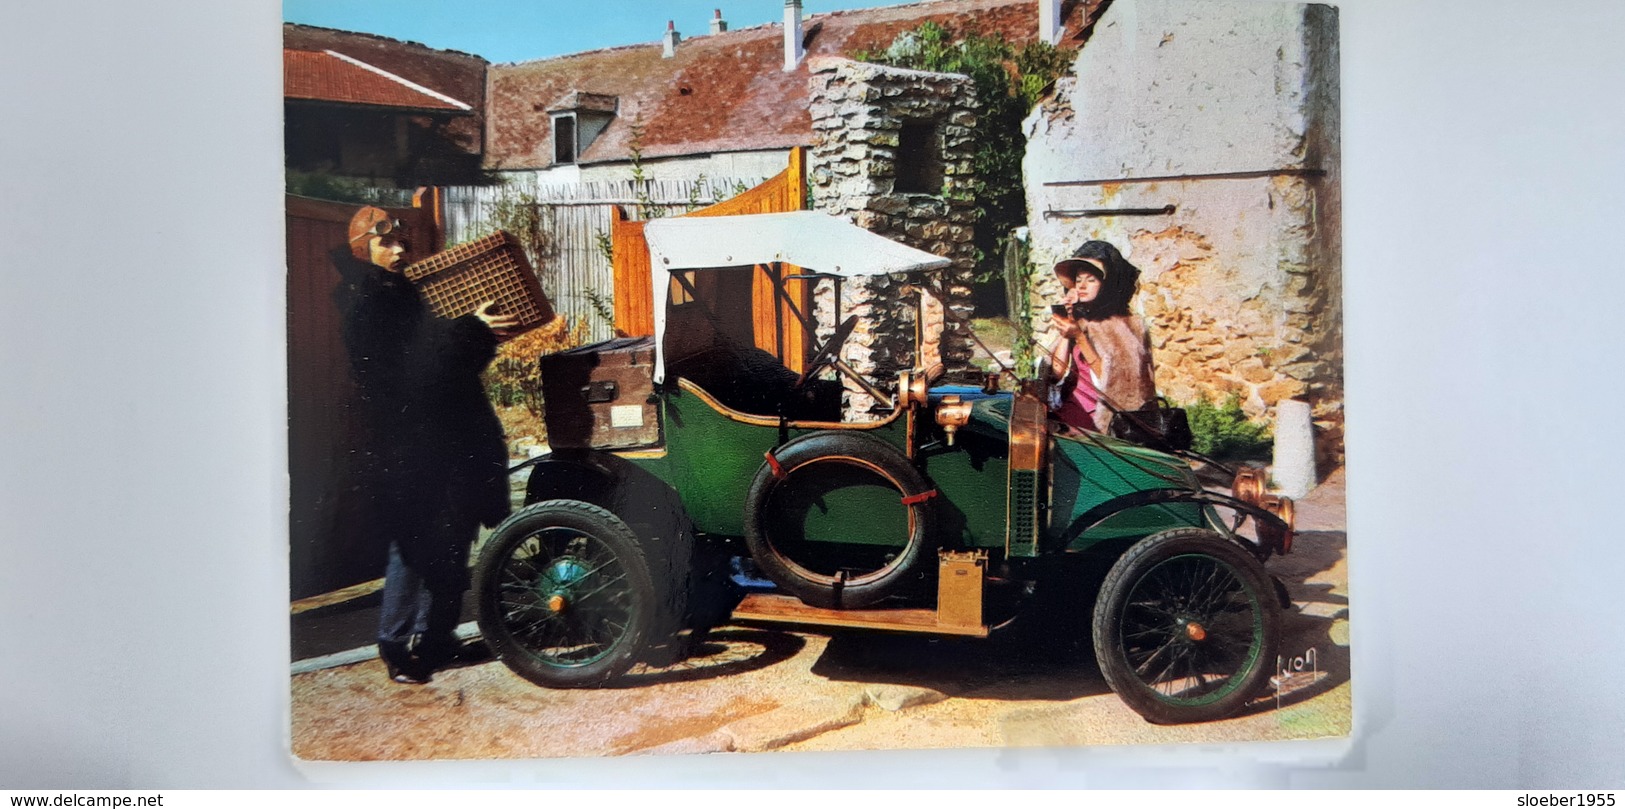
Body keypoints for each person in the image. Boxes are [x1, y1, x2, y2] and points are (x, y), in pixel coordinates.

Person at [330, 206, 518, 684]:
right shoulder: (367, 300)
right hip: (411, 444)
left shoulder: (399, 293)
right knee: (414, 545)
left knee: (452, 537)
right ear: (363, 249)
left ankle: (435, 638)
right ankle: (396, 645)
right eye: (385, 243)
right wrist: (471, 329)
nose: (398, 250)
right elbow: (416, 364)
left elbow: (443, 362)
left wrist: (473, 333)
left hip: (442, 438)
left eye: (401, 243)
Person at [1046, 240, 1158, 433]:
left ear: (1107, 285)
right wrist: (1068, 326)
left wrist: (1080, 338)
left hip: (1103, 420)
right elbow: (1056, 372)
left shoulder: (1128, 327)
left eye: (1091, 280)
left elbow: (1112, 381)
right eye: (1079, 280)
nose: (1082, 286)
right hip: (1071, 410)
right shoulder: (1082, 321)